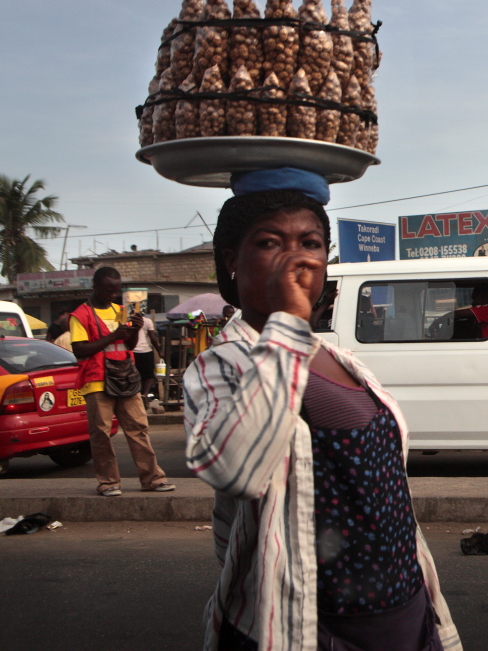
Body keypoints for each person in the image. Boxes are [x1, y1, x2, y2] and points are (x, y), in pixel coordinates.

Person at [184, 170, 458, 651]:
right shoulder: (222, 364)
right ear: (231, 262)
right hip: (310, 627)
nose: (295, 258)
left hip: (404, 612)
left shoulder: (341, 359)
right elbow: (236, 471)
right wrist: (286, 320)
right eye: (270, 243)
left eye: (310, 243)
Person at [70, 267, 174, 497]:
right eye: (108, 290)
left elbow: (128, 345)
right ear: (95, 287)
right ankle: (108, 482)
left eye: (116, 291)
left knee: (138, 428)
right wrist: (113, 335)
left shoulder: (121, 310)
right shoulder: (80, 314)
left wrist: (135, 331)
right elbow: (79, 350)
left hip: (125, 375)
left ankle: (152, 479)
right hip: (97, 379)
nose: (113, 295)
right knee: (101, 433)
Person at [131, 308, 161, 408]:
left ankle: (138, 396)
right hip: (146, 351)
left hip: (132, 351)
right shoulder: (147, 321)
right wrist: (159, 351)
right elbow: (153, 338)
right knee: (149, 376)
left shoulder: (128, 322)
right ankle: (145, 394)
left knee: (135, 376)